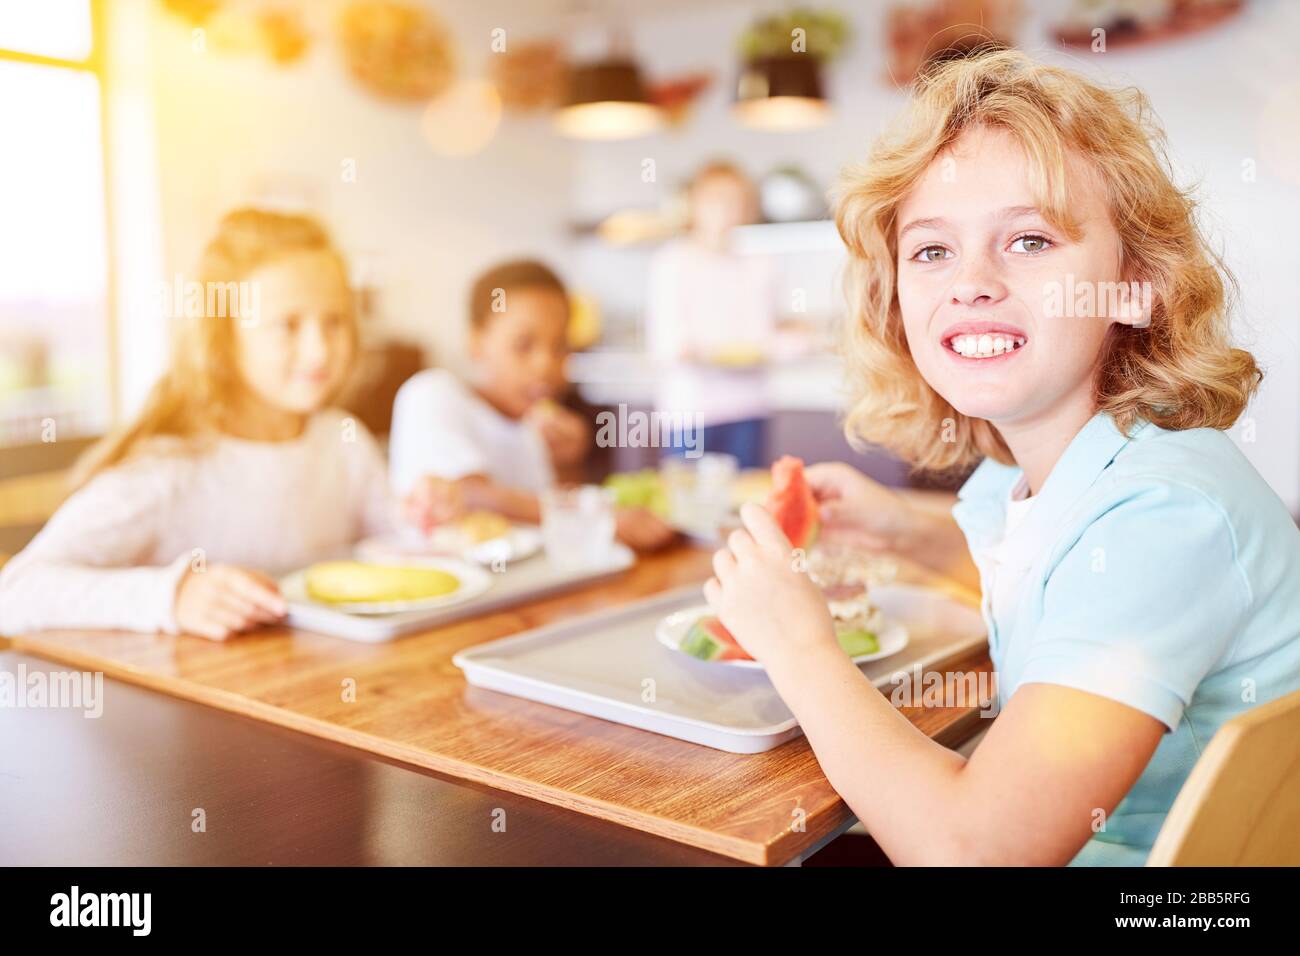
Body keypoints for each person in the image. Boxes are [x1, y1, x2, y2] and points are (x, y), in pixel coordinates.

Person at [704, 49, 1300, 865]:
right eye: (931, 251)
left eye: (1028, 240)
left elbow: (977, 854)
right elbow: (1068, 585)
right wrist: (910, 535)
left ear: (1136, 283)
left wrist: (797, 646)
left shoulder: (1165, 517)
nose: (971, 283)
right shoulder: (1076, 471)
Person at [0, 209, 393, 640]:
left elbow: (400, 553)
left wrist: (431, 517)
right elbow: (16, 593)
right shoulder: (169, 466)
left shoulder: (343, 440)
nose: (320, 351)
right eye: (288, 325)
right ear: (223, 337)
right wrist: (172, 595)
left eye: (334, 321)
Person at [391, 259, 674, 550]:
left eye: (560, 346)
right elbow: (471, 494)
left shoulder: (532, 428)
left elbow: (549, 525)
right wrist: (599, 516)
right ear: (476, 344)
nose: (545, 365)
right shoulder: (433, 392)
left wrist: (567, 465)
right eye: (524, 345)